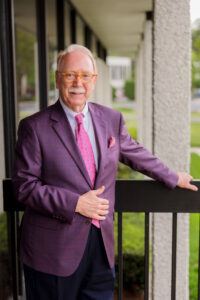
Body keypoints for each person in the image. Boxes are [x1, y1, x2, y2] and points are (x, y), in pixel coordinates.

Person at [12, 44, 197, 300]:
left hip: (100, 249)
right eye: (70, 75)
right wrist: (76, 203)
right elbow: (25, 187)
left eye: (85, 75)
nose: (78, 82)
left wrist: (173, 177)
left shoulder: (111, 119)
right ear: (57, 79)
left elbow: (137, 154)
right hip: (52, 253)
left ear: (94, 80)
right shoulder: (34, 127)